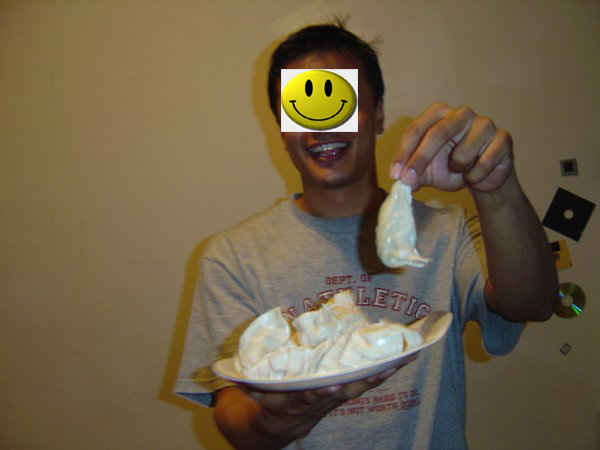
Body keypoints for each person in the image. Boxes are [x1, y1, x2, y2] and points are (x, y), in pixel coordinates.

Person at [175, 21, 558, 449]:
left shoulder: (447, 233)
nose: (322, 125)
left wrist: (496, 189)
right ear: (282, 131)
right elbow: (233, 413)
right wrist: (279, 419)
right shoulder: (232, 256)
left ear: (377, 114)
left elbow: (535, 303)